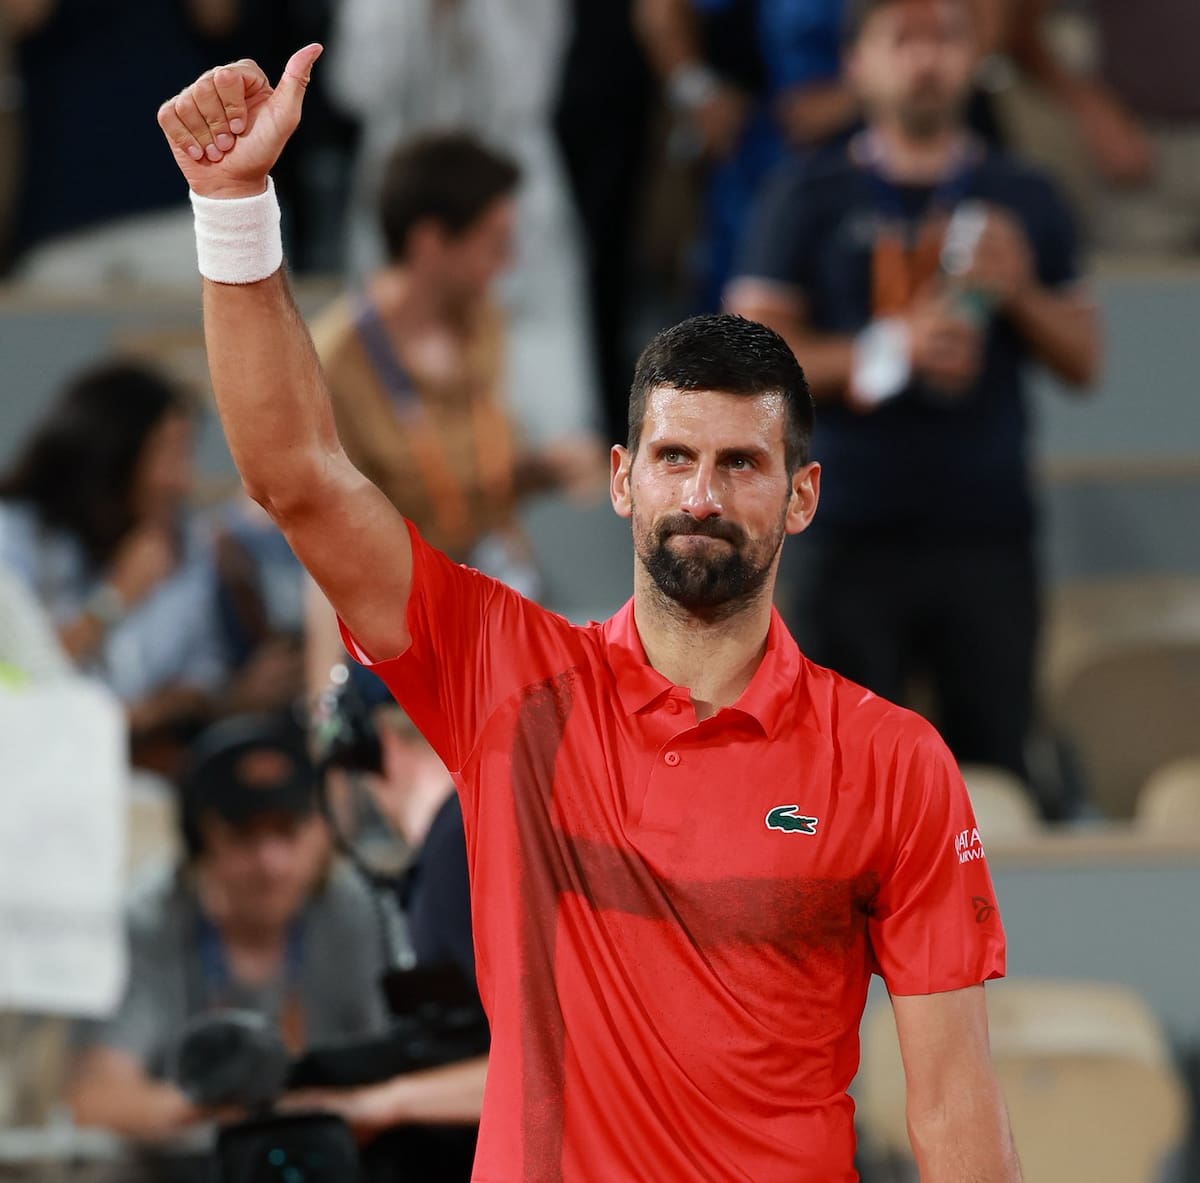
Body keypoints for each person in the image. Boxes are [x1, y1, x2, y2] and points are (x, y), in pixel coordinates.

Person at [156, 43, 1019, 1182]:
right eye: (673, 458)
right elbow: (299, 476)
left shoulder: (895, 762)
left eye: (741, 464)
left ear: (801, 494)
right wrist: (234, 212)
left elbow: (954, 1114)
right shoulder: (503, 676)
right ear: (622, 479)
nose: (702, 496)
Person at [726, 0, 1100, 793]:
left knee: (992, 780)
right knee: (836, 781)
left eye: (949, 38)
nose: (927, 59)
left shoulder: (1023, 192)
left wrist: (1020, 290)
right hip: (848, 530)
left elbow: (1085, 358)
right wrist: (884, 348)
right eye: (904, 37)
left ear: (978, 58)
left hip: (988, 534)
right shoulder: (810, 191)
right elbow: (753, 351)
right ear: (857, 61)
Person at [304, 131, 607, 693]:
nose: (507, 262)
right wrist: (333, 700)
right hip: (399, 631)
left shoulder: (482, 323)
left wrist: (541, 470)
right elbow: (330, 544)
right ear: (430, 243)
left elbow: (474, 475)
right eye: (493, 243)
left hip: (493, 592)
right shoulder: (333, 361)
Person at [68, 713, 387, 1144]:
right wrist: (247, 1109)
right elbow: (97, 1098)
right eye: (244, 836)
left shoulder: (349, 908)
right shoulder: (152, 917)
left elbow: (395, 1071)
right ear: (201, 840)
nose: (271, 863)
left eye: (289, 832)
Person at [0, 360, 229, 770]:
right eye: (169, 453)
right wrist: (117, 596)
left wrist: (161, 710)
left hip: (151, 766)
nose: (183, 480)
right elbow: (31, 675)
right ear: (112, 454)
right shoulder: (15, 536)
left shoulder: (185, 544)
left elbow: (202, 676)